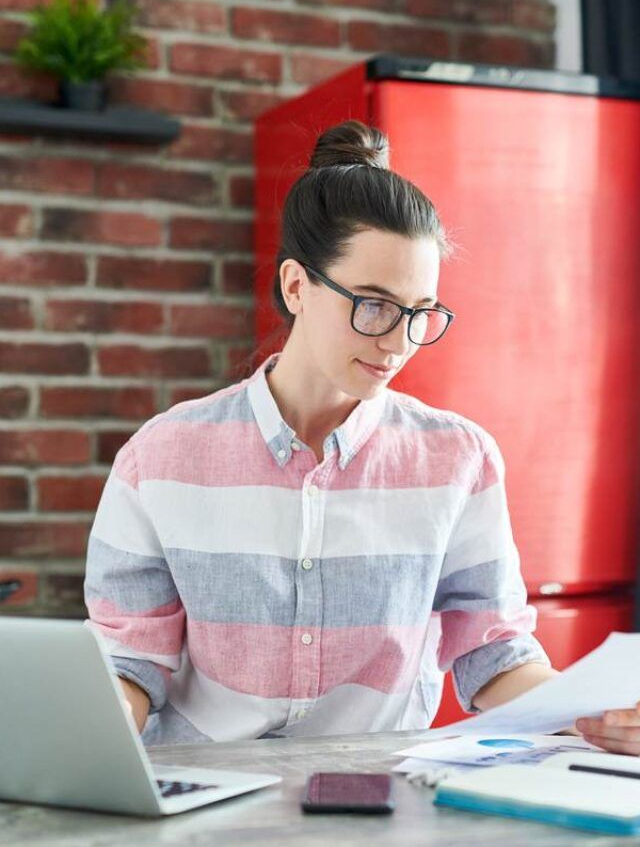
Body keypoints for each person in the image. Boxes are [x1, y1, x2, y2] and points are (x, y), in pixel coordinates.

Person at [84, 120, 640, 754]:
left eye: (419, 313)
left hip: (384, 799)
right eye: (373, 305)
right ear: (297, 286)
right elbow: (127, 662)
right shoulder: (161, 457)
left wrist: (597, 713)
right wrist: (76, 741)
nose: (399, 342)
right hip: (205, 795)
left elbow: (493, 653)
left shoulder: (458, 458)